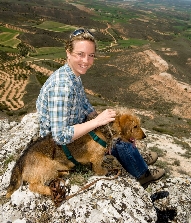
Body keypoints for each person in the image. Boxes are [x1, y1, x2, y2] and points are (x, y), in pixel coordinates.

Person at [36, 28, 165, 187]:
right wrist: (97, 122)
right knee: (117, 134)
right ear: (68, 52)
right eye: (80, 54)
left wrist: (101, 119)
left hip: (72, 128)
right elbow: (59, 136)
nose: (86, 61)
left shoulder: (72, 74)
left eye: (91, 55)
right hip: (59, 148)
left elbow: (83, 103)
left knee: (113, 126)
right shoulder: (62, 87)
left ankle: (134, 157)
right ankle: (142, 174)